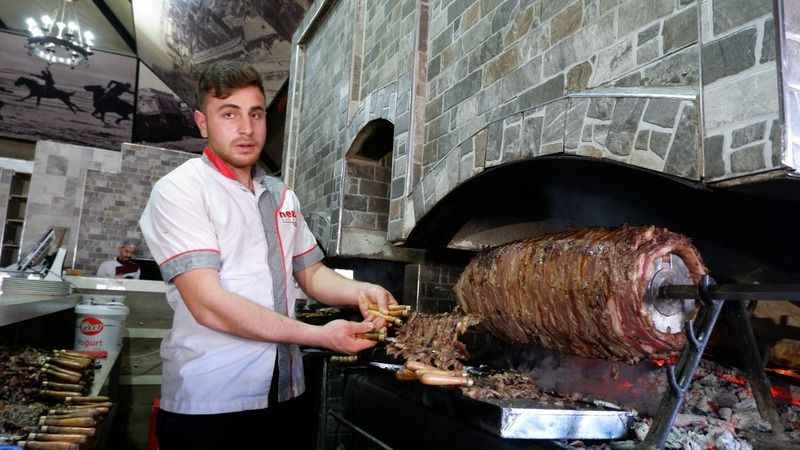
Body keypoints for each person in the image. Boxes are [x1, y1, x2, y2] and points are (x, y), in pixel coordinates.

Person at [138, 61, 398, 450]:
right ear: (202, 123)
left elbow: (311, 273)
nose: (246, 128)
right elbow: (209, 305)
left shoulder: (281, 195)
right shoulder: (181, 190)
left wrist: (364, 290)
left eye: (255, 114)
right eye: (229, 114)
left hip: (285, 393)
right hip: (212, 402)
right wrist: (319, 336)